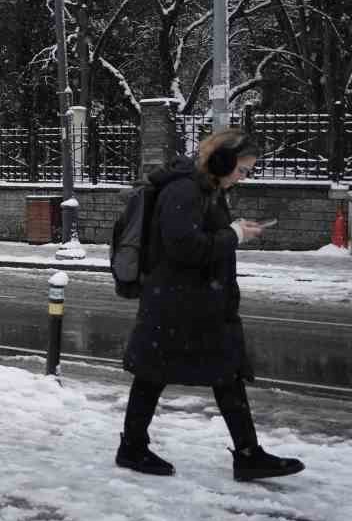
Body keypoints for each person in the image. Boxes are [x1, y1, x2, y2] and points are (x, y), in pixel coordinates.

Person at [118, 129, 304, 482]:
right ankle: (132, 447)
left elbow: (203, 239)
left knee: (227, 372)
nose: (242, 177)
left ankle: (248, 455)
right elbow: (183, 246)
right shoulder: (184, 189)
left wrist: (235, 231)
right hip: (176, 304)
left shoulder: (207, 189)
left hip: (199, 302)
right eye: (242, 170)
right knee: (152, 376)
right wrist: (234, 234)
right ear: (222, 160)